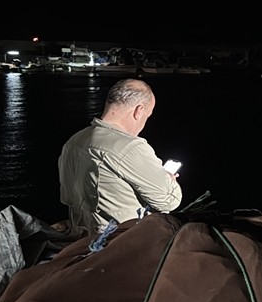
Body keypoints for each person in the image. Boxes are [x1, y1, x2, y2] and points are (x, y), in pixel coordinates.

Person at [58, 77, 183, 234]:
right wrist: (169, 180)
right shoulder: (130, 147)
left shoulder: (73, 142)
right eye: (147, 116)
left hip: (82, 240)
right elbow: (169, 201)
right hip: (121, 244)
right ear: (139, 111)